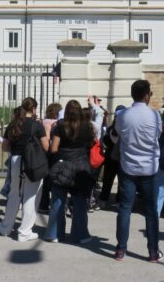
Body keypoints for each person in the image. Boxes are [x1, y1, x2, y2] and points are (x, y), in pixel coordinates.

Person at [114, 80, 163, 263]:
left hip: (128, 166)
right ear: (147, 95)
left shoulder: (123, 115)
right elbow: (157, 136)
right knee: (151, 210)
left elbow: (119, 134)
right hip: (149, 168)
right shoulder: (155, 115)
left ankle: (120, 249)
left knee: (125, 208)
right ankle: (153, 251)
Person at [0, 98, 48, 241]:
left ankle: (5, 227)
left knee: (14, 195)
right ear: (34, 109)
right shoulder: (37, 125)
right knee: (31, 196)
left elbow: (5, 146)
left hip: (16, 161)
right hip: (32, 163)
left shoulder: (14, 124)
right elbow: (46, 146)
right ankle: (24, 232)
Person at [45, 100, 95, 244]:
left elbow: (53, 149)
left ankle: (55, 233)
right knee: (79, 202)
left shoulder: (61, 127)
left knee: (58, 200)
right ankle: (81, 235)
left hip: (62, 165)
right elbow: (90, 144)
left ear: (66, 112)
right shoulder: (87, 126)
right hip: (81, 166)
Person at [98, 105, 126, 209]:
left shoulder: (110, 129)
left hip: (110, 158)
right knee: (121, 183)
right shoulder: (125, 130)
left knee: (107, 181)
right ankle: (119, 201)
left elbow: (105, 142)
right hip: (122, 159)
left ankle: (103, 200)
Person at [38, 103, 62, 213]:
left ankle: (43, 205)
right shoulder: (59, 123)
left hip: (45, 152)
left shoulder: (44, 122)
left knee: (45, 178)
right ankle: (55, 203)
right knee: (56, 177)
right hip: (57, 151)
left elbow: (46, 138)